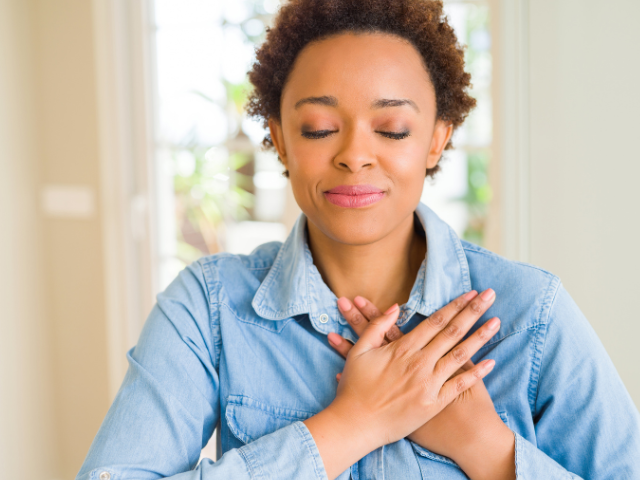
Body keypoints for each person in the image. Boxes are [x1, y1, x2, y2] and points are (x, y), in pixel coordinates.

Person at [76, 0, 640, 479]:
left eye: (392, 129)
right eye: (319, 128)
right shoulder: (208, 305)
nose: (353, 154)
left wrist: (490, 452)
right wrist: (351, 425)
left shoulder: (531, 315)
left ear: (437, 139)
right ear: (279, 139)